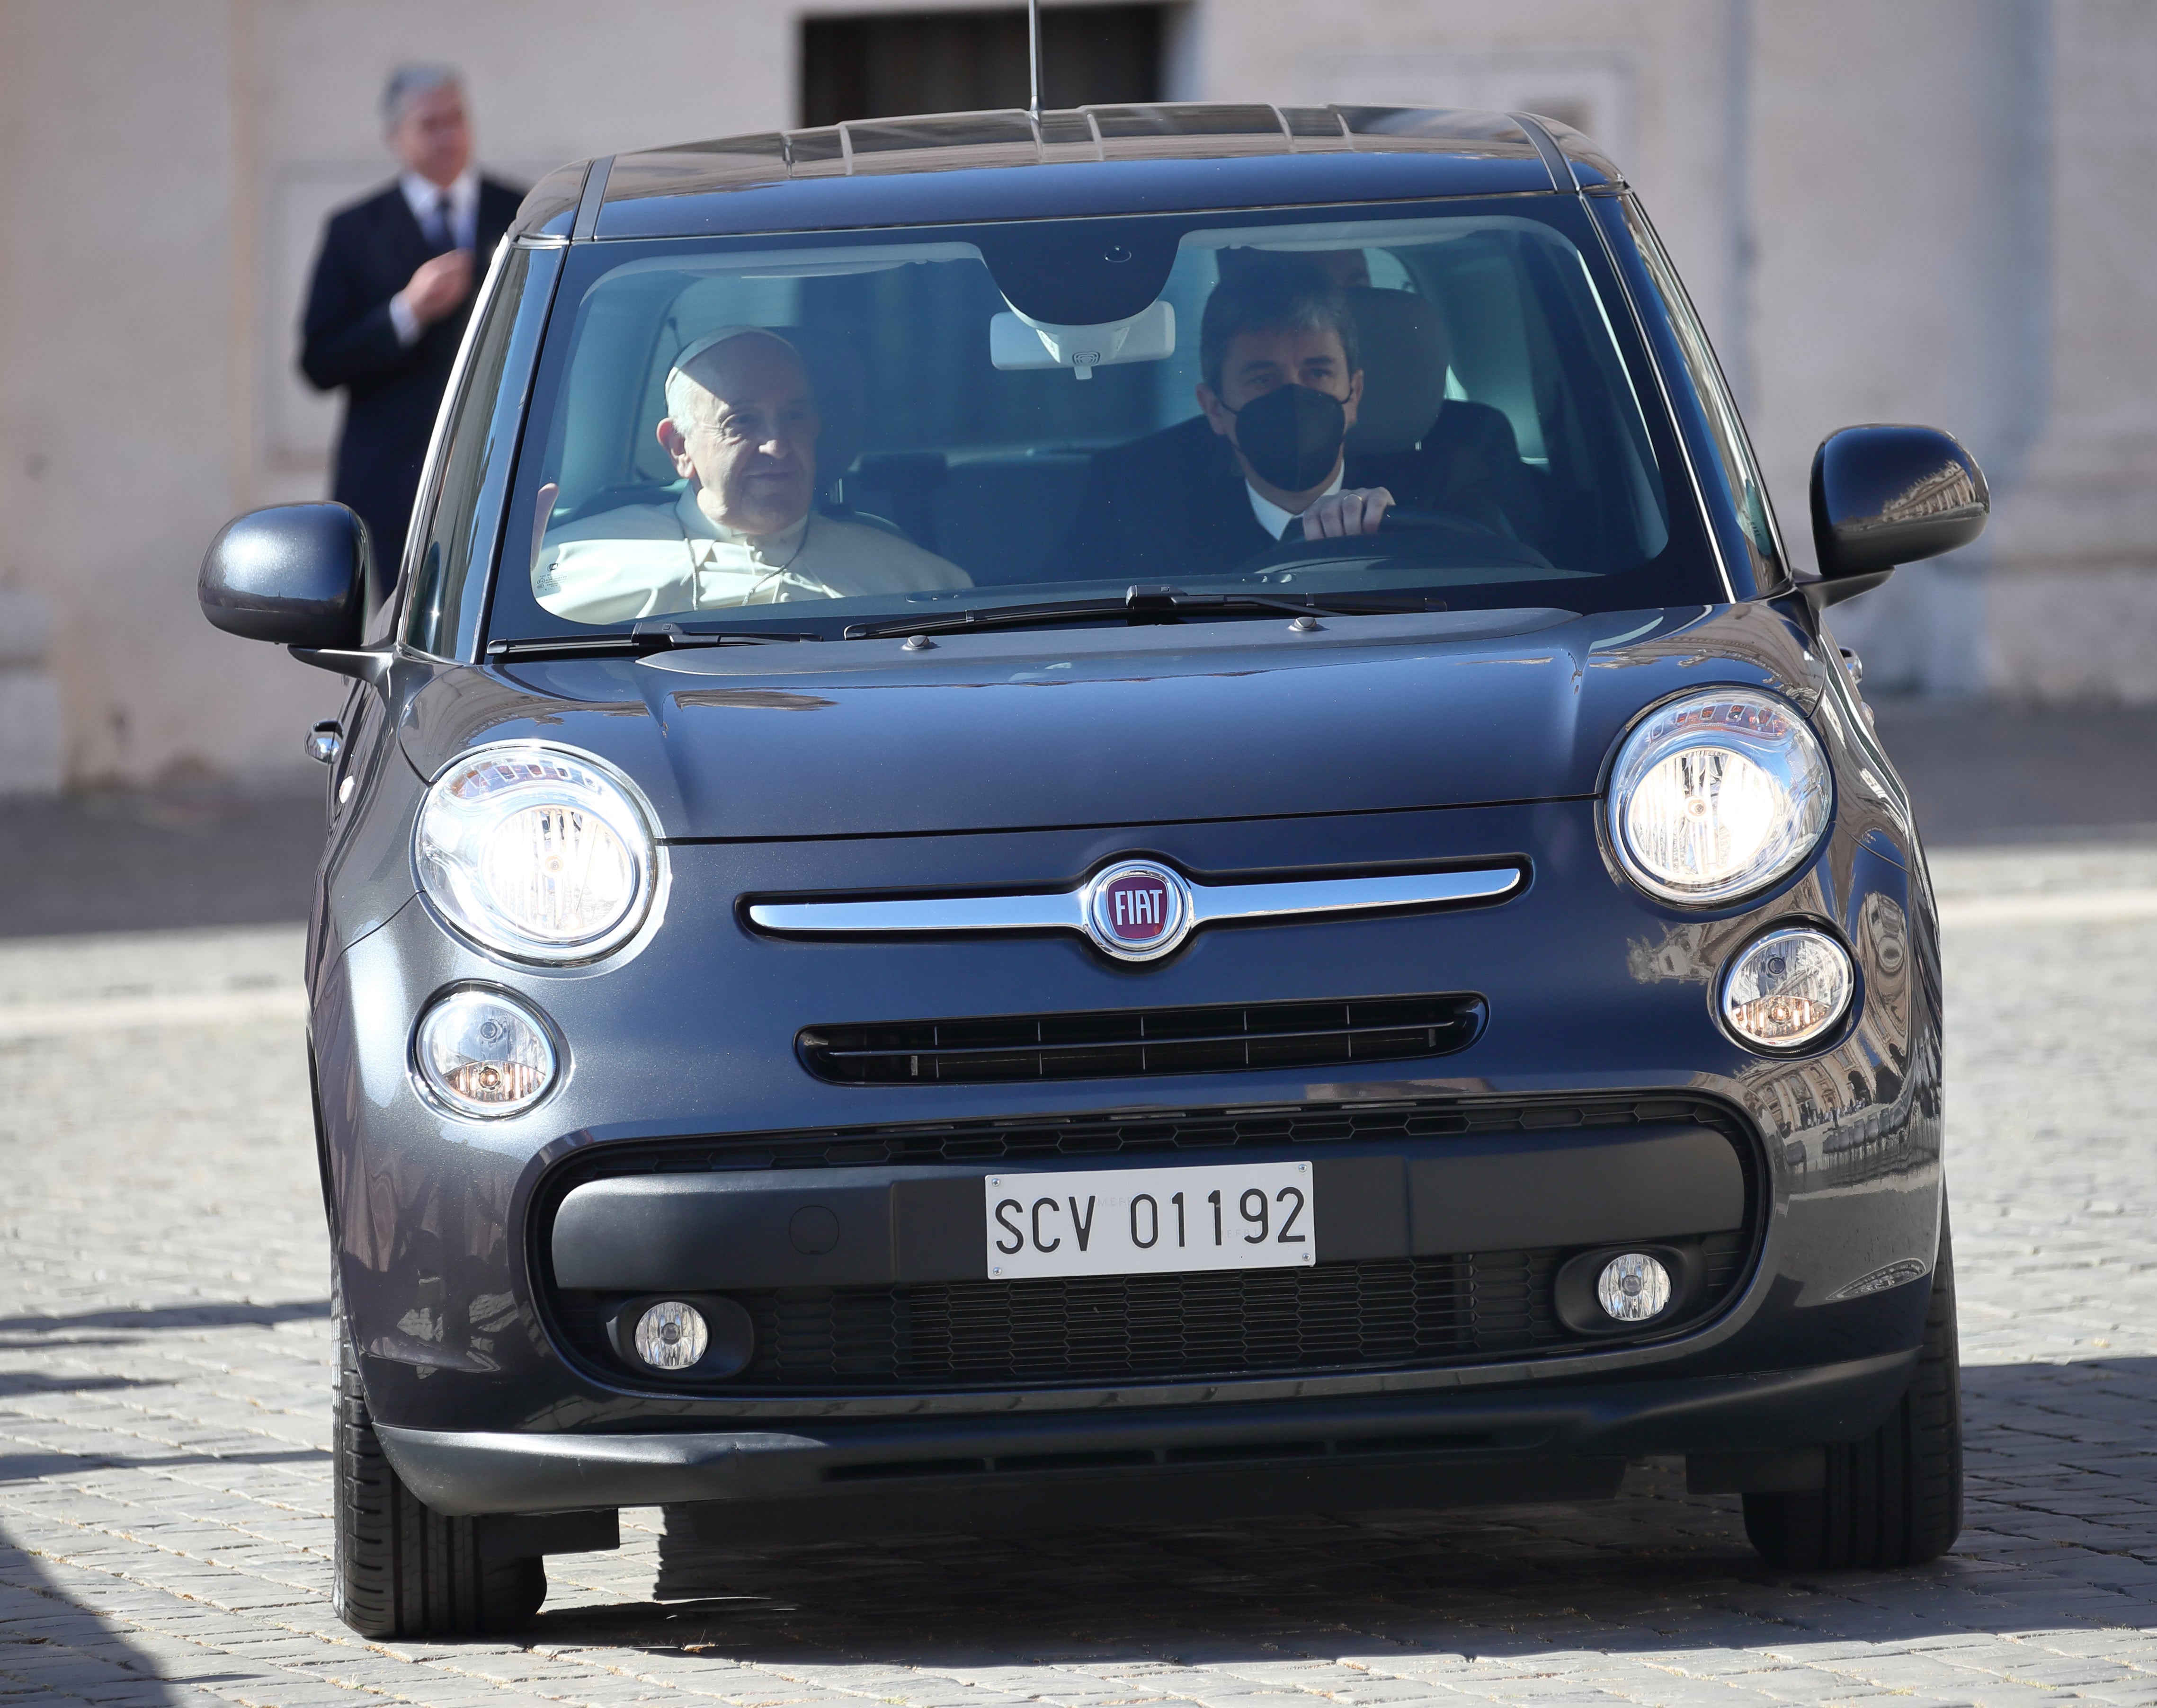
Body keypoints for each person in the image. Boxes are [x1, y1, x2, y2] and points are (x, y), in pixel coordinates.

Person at [533, 329, 970, 623]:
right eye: (742, 421)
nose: (778, 445)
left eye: (794, 416)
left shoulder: (921, 582)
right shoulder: (563, 566)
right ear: (680, 447)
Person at [299, 66, 523, 594]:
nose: (449, 136)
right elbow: (318, 361)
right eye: (430, 124)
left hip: (501, 473)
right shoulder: (355, 229)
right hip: (394, 483)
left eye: (456, 119)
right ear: (395, 138)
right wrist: (407, 312)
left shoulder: (520, 213)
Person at [1044, 263, 1396, 584]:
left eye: (1317, 372)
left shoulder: (1434, 489)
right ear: (1214, 408)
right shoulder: (1135, 498)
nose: (1294, 397)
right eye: (1263, 378)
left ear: (1356, 392)